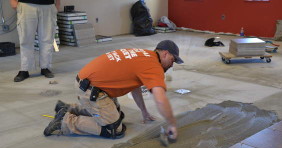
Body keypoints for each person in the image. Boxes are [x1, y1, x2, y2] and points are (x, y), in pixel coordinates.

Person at [44, 40, 184, 140]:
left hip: (88, 85)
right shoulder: (154, 66)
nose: (172, 65)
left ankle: (69, 108)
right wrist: (172, 123)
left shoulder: (144, 56)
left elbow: (135, 88)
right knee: (113, 128)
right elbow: (160, 99)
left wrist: (144, 112)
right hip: (91, 91)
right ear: (165, 54)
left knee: (117, 115)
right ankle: (65, 121)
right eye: (173, 60)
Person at [10, 0, 60, 82]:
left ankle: (45, 67)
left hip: (48, 6)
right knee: (25, 40)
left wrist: (58, 3)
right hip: (26, 4)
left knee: (47, 40)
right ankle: (25, 69)